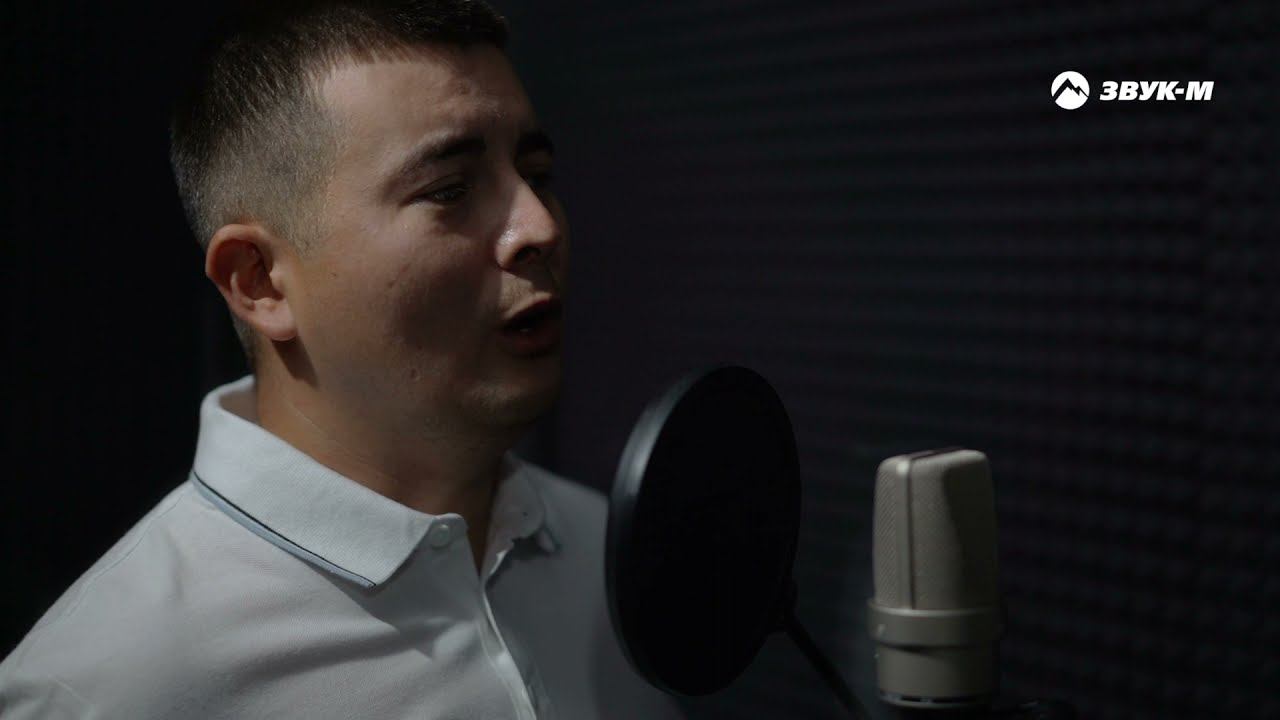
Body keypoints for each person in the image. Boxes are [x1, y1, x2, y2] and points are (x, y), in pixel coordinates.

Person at [0, 2, 682, 718]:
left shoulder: (609, 554)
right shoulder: (106, 689)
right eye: (450, 191)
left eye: (536, 173)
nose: (539, 227)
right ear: (259, 282)